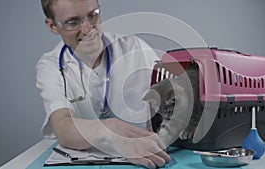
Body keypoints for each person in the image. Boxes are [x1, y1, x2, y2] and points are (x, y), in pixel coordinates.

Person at [37, 0, 171, 168]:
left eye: (93, 16)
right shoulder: (51, 65)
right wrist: (108, 131)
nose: (87, 30)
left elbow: (172, 100)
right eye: (73, 22)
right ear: (52, 26)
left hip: (144, 154)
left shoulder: (134, 49)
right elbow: (62, 128)